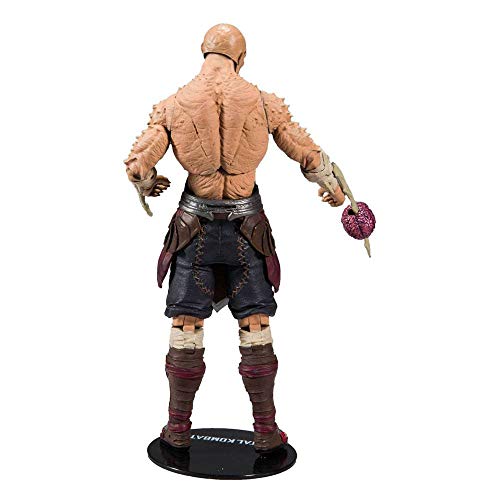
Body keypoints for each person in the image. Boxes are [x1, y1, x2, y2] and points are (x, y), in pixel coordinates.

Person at [125, 24, 345, 452]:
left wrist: (147, 183)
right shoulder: (261, 102)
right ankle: (266, 432)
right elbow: (306, 151)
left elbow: (138, 164)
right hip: (248, 228)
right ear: (241, 59)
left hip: (193, 229)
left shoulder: (173, 105)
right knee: (256, 323)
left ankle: (177, 430)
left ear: (202, 52)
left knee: (186, 324)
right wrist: (334, 187)